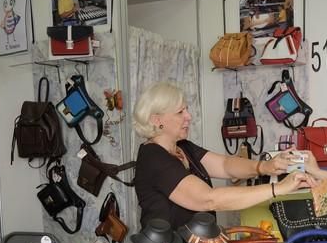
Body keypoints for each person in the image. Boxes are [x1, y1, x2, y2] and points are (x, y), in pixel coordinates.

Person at [132, 82, 309, 229]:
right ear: (157, 120)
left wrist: (264, 167)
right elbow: (208, 199)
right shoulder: (153, 157)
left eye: (187, 109)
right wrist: (278, 189)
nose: (189, 116)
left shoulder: (182, 147)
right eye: (180, 112)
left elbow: (225, 165)